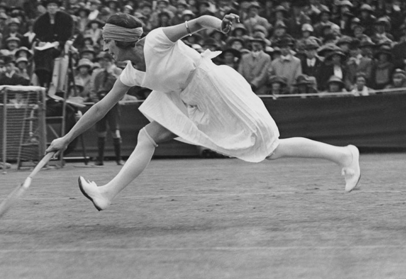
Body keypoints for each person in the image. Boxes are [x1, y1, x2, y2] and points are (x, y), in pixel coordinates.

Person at [45, 12, 361, 212]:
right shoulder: (129, 74)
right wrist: (67, 138)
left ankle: (345, 155)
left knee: (270, 149)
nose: (104, 50)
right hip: (184, 97)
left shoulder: (156, 41)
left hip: (212, 85)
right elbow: (101, 108)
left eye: (107, 43)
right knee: (147, 135)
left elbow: (197, 22)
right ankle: (106, 194)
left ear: (122, 40)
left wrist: (222, 24)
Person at [90, 52, 124, 166]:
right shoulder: (99, 74)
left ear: (111, 61)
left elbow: (120, 87)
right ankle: (100, 159)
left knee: (115, 130)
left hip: (113, 104)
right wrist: (97, 101)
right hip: (101, 103)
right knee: (101, 131)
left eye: (106, 61)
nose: (103, 63)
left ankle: (118, 158)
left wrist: (110, 73)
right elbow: (93, 90)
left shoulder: (117, 72)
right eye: (102, 61)